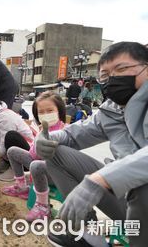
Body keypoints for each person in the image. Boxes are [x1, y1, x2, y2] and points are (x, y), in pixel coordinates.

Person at [36, 42, 148, 247]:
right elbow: (73, 135)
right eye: (105, 75)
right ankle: (88, 233)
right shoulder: (111, 110)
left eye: (122, 69)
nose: (113, 79)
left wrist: (101, 179)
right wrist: (47, 139)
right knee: (56, 154)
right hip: (129, 201)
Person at [2, 91, 66, 222]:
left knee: (36, 165)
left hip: (55, 171)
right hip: (38, 163)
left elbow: (47, 156)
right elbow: (33, 153)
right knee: (13, 151)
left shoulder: (65, 131)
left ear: (59, 111)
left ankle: (43, 206)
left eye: (50, 110)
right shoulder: (43, 129)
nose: (46, 115)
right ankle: (21, 186)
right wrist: (40, 134)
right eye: (41, 112)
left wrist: (42, 136)